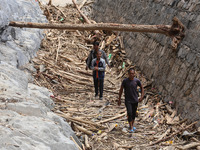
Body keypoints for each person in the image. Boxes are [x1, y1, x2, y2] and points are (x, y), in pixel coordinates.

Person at [118, 68, 144, 132]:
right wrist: (119, 99)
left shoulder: (136, 81)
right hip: (128, 100)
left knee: (133, 113)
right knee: (129, 113)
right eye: (131, 74)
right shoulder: (125, 81)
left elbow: (142, 88)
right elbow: (121, 90)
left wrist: (141, 96)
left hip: (135, 100)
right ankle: (131, 127)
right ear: (128, 74)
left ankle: (131, 124)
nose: (132, 75)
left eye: (133, 73)